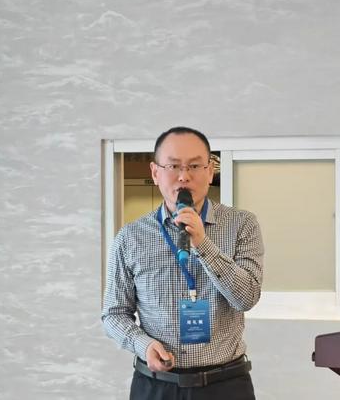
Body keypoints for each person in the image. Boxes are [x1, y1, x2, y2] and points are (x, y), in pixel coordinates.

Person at [102, 127, 264, 400]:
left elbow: (246, 297)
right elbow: (114, 314)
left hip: (225, 385)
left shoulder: (242, 225)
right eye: (173, 166)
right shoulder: (130, 237)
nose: (183, 176)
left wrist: (202, 243)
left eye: (194, 166)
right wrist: (143, 345)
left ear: (210, 171)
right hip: (156, 386)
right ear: (155, 172)